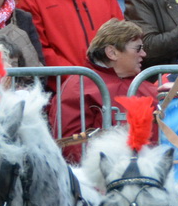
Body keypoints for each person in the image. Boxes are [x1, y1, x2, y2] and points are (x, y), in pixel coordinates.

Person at [56, 20, 146, 161]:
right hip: (104, 169)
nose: (144, 54)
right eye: (138, 48)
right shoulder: (78, 87)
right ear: (112, 52)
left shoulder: (144, 84)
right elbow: (71, 146)